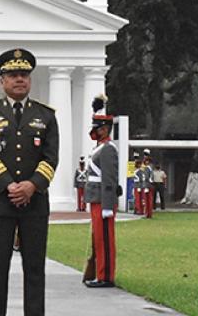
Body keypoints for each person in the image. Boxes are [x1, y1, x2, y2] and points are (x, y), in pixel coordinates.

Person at [0, 48, 59, 316]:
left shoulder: (46, 115)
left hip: (35, 203)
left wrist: (32, 185)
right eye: (13, 75)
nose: (19, 79)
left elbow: (50, 157)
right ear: (2, 81)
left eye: (24, 74)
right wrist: (9, 185)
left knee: (35, 270)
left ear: (30, 79)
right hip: (1, 202)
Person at [83, 94, 119, 288]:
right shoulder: (100, 148)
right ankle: (100, 272)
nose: (95, 132)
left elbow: (109, 179)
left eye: (98, 129)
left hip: (102, 200)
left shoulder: (108, 149)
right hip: (95, 198)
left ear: (105, 129)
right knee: (98, 238)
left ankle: (106, 276)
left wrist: (107, 206)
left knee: (104, 239)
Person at [142, 149, 154, 218]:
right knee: (148, 201)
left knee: (147, 201)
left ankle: (148, 214)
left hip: (147, 185)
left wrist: (146, 185)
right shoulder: (150, 166)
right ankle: (148, 214)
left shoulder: (148, 167)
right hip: (148, 185)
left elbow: (146, 176)